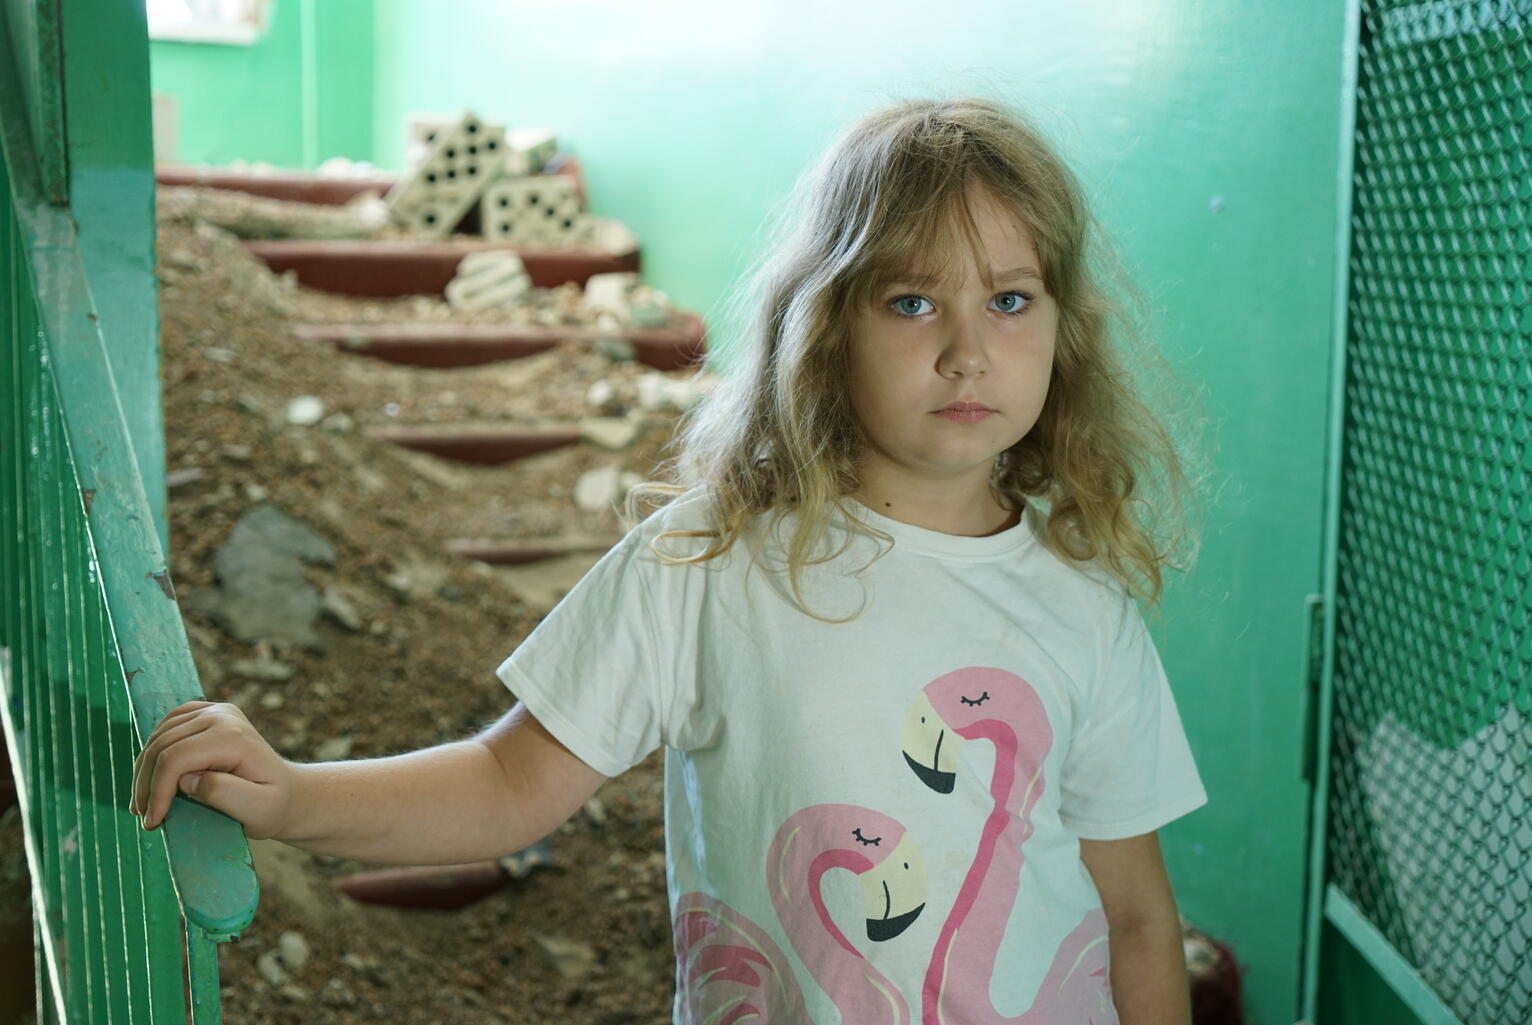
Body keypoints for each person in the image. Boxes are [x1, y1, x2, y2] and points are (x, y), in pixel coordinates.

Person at [132, 95, 1212, 1024]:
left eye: (1011, 300)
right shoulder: (711, 560)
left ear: (1064, 330)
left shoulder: (1083, 601)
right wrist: (291, 794)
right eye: (913, 300)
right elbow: (512, 781)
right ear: (826, 327)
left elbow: (1136, 912)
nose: (969, 349)